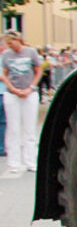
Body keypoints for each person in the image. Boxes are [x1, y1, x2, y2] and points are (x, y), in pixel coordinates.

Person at [1, 30, 43, 174]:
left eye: (11, 42)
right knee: (13, 128)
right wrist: (13, 89)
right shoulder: (6, 55)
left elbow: (38, 70)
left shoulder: (30, 52)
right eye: (7, 44)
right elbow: (4, 74)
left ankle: (30, 160)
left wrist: (31, 88)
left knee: (29, 128)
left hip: (29, 93)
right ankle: (14, 162)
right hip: (13, 94)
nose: (10, 46)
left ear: (18, 40)